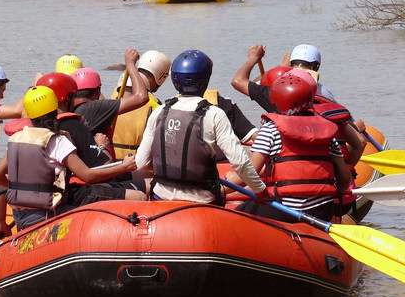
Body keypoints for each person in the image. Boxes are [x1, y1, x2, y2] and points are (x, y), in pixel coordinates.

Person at [0, 86, 138, 234]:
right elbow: (87, 175)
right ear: (55, 111)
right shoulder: (57, 141)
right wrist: (124, 167)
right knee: (136, 197)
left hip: (21, 216)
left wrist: (15, 195)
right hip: (48, 215)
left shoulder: (16, 139)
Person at [135, 49, 265, 203]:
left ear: (175, 80)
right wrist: (261, 191)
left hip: (160, 197)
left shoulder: (159, 112)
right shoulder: (215, 114)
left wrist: (172, 170)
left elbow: (141, 163)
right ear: (205, 79)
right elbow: (241, 163)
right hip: (202, 201)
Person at [229, 72, 354, 222]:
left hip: (284, 210)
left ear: (277, 101)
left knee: (237, 213)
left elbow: (250, 172)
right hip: (321, 211)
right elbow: (345, 179)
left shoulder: (271, 129)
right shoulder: (327, 133)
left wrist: (223, 187)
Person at [34, 71, 145, 206]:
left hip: (38, 196)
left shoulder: (27, 130)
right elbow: (92, 173)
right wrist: (123, 165)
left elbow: (0, 176)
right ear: (67, 98)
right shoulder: (71, 126)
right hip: (68, 193)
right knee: (139, 195)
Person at [71, 49, 149, 146]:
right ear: (97, 92)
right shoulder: (95, 108)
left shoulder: (68, 108)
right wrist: (130, 64)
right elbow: (141, 97)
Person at [111, 50, 171, 159]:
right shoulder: (155, 106)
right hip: (134, 166)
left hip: (109, 161)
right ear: (161, 76)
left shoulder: (115, 94)